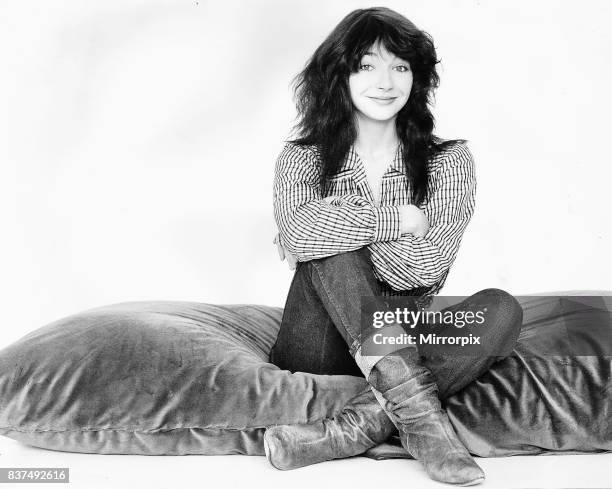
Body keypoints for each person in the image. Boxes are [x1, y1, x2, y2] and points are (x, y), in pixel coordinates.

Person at [265, 7, 523, 486]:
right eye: (366, 65)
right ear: (338, 75)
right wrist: (397, 220)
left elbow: (424, 268)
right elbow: (303, 236)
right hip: (321, 342)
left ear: (416, 79)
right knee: (337, 255)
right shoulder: (301, 157)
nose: (384, 81)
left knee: (501, 309)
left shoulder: (449, 161)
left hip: (405, 330)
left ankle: (353, 427)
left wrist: (333, 225)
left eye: (399, 66)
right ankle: (428, 428)